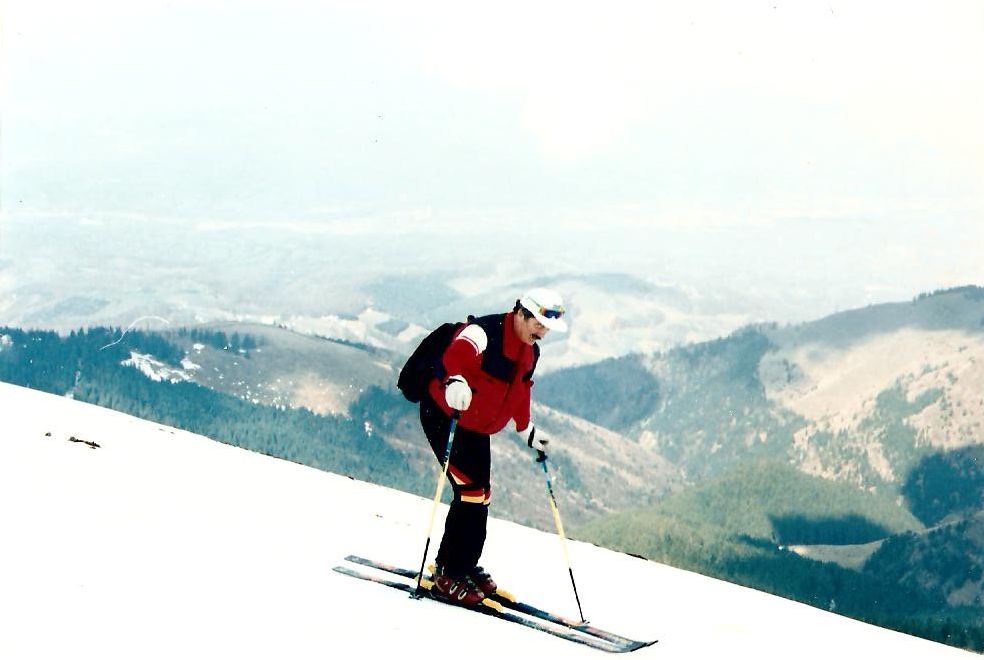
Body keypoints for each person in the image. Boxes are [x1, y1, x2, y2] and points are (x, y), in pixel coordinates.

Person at [419, 287, 568, 606]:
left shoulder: (530, 352)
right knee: (471, 492)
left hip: (476, 426)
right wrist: (453, 381)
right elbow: (453, 356)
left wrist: (526, 429)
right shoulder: (483, 333)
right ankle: (449, 573)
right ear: (521, 314)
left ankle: (461, 565)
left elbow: (519, 391)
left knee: (481, 494)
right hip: (446, 414)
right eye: (538, 324)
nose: (542, 333)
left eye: (546, 328)